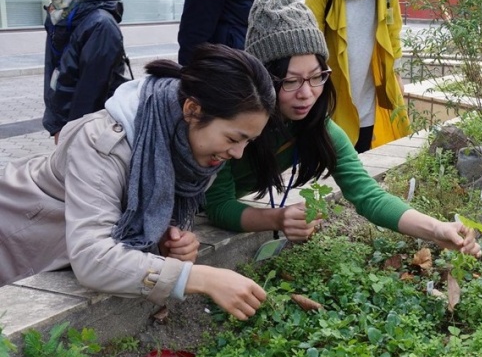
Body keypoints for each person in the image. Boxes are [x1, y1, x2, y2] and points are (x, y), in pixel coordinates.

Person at [0, 44, 277, 321]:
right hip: (15, 239)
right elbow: (93, 258)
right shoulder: (101, 142)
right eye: (232, 139)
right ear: (192, 109)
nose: (238, 153)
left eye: (248, 142)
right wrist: (198, 277)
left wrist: (167, 239)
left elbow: (141, 221)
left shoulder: (190, 148)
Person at [204, 0, 479, 258]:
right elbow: (217, 205)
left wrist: (437, 229)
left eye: (316, 76)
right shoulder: (233, 122)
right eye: (290, 81)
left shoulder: (318, 128)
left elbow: (368, 195)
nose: (306, 93)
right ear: (263, 79)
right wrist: (278, 218)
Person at [305, 0, 410, 153]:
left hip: (368, 96)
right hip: (332, 98)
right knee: (330, 163)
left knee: (362, 158)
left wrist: (397, 74)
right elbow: (308, 47)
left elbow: (394, 33)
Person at [30, 0, 128, 144]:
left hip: (91, 134)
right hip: (66, 126)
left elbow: (91, 92)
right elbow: (55, 73)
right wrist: (56, 123)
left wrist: (70, 134)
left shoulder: (99, 24)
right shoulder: (57, 16)